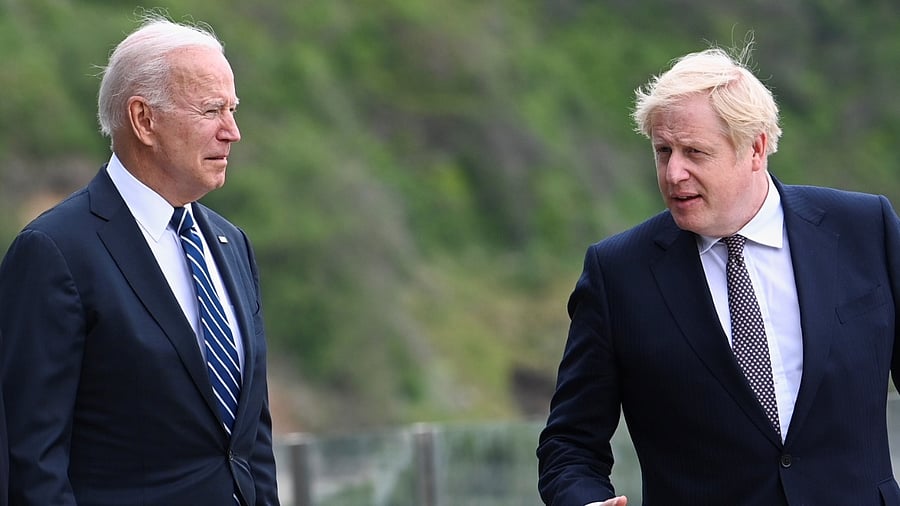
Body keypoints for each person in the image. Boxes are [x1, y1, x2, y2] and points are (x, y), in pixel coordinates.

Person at [536, 42, 900, 506]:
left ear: (756, 148)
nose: (674, 173)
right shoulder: (617, 275)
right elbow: (568, 446)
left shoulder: (866, 229)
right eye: (663, 151)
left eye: (694, 152)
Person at [0, 14, 279, 505]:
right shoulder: (54, 252)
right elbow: (32, 462)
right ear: (144, 120)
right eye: (211, 110)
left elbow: (251, 444)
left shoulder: (231, 243)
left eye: (232, 110)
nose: (232, 132)